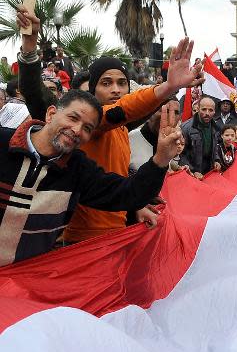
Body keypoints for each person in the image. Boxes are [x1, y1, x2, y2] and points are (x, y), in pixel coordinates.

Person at [16, 7, 203, 243]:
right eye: (106, 83)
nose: (116, 89)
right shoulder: (92, 125)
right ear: (92, 91)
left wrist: (135, 207)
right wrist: (167, 87)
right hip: (83, 242)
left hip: (117, 237)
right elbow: (124, 109)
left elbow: (118, 187)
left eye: (122, 83)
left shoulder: (123, 130)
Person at [0, 91, 181, 264]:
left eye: (87, 128)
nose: (77, 130)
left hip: (25, 285)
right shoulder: (2, 143)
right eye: (73, 118)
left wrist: (161, 158)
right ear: (51, 114)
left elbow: (128, 194)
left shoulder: (78, 168)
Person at [129, 99, 181, 173]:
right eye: (164, 110)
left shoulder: (173, 142)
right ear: (150, 113)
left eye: (176, 113)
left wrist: (178, 170)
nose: (171, 117)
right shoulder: (128, 139)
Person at [180, 96, 220, 179]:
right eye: (204, 109)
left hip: (208, 171)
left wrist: (216, 160)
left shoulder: (215, 127)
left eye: (211, 110)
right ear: (198, 109)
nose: (207, 113)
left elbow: (215, 147)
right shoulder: (186, 128)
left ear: (214, 111)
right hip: (191, 174)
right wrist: (192, 171)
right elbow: (180, 154)